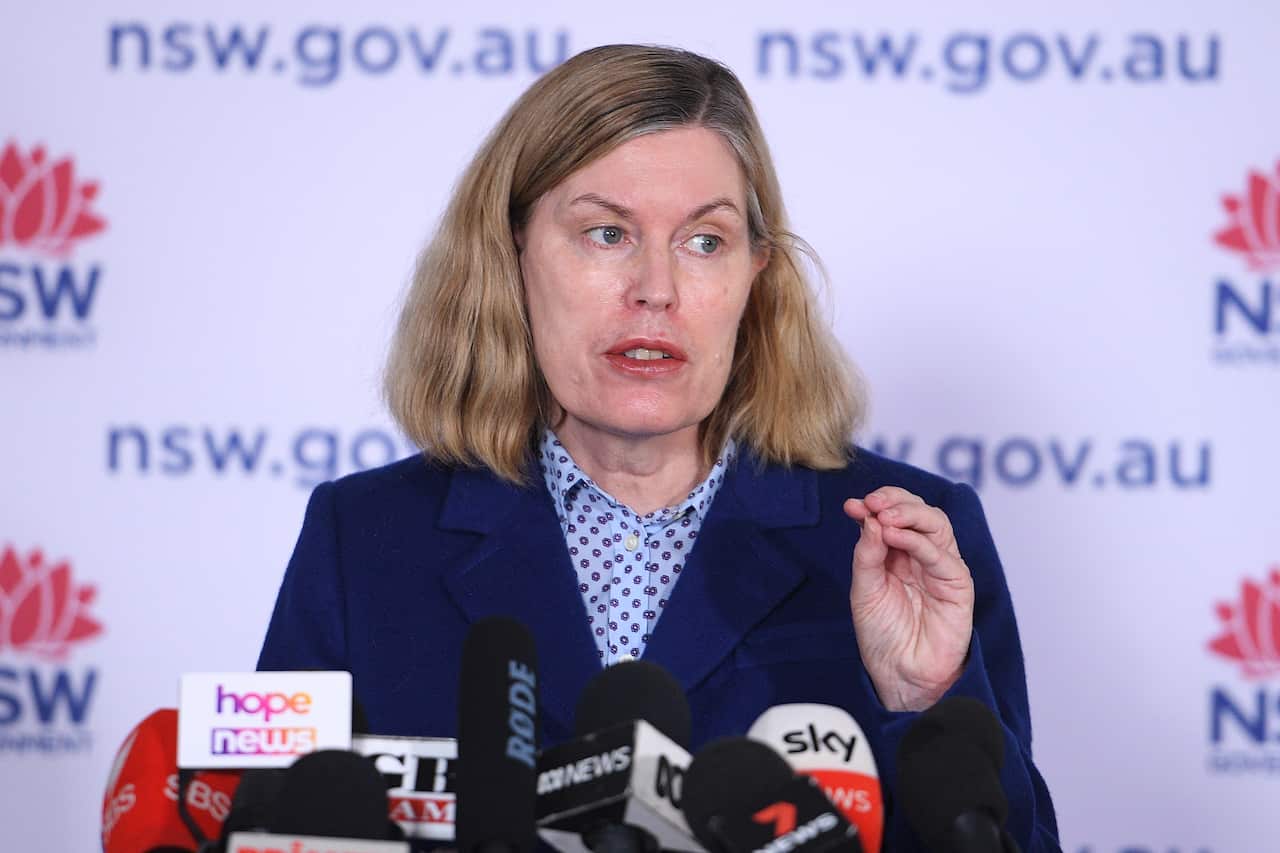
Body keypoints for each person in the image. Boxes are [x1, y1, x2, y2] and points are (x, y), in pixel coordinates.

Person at [259, 44, 1059, 850]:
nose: (657, 287)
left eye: (704, 241)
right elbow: (273, 825)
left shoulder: (896, 539)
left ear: (756, 274)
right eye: (607, 233)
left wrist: (920, 699)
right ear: (510, 256)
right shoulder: (365, 538)